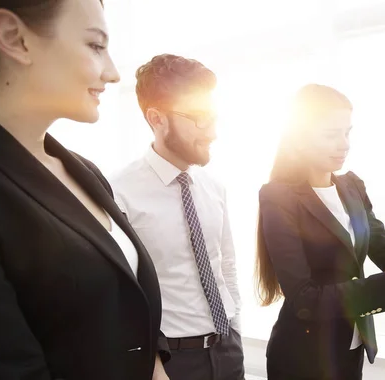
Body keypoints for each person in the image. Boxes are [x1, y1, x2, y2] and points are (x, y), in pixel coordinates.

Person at [0, 1, 169, 379]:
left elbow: (130, 308)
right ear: (15, 39)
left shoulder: (84, 172)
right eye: (96, 46)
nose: (112, 73)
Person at [255, 84, 385, 380]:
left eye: (346, 132)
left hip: (351, 350)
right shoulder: (279, 198)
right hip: (303, 357)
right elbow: (303, 298)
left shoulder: (352, 188)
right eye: (330, 135)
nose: (344, 144)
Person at [111, 54, 244, 380]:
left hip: (228, 350)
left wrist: (235, 324)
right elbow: (121, 294)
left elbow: (225, 264)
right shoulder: (117, 192)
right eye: (199, 118)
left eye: (213, 117)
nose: (211, 132)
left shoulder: (214, 187)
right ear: (156, 118)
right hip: (171, 362)